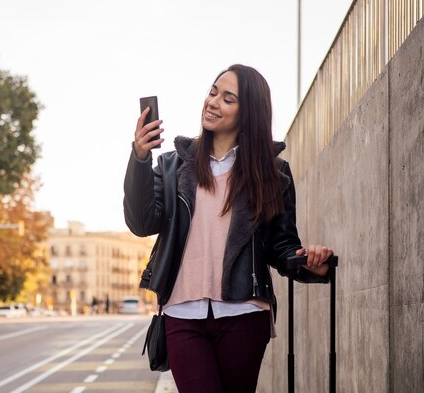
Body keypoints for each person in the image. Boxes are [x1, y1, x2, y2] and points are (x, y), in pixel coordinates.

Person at [123, 64, 334, 393]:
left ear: (248, 111)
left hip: (245, 313)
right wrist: (139, 158)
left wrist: (309, 262)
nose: (213, 101)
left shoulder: (273, 174)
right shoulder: (171, 166)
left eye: (228, 98)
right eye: (212, 92)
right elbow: (141, 223)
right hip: (182, 313)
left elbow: (281, 245)